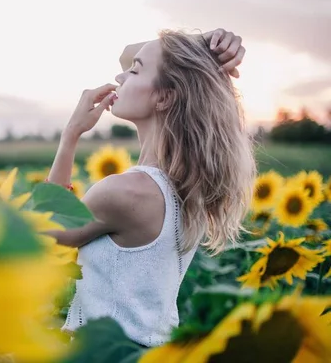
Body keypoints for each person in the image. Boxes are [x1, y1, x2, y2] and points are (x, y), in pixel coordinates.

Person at [42, 28, 255, 347]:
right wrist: (201, 45)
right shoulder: (184, 187)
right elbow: (132, 53)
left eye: (135, 70)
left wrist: (71, 134)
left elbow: (43, 235)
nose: (119, 75)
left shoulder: (125, 192)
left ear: (165, 96)